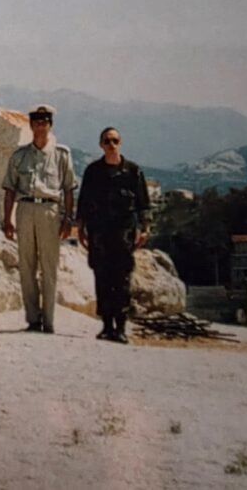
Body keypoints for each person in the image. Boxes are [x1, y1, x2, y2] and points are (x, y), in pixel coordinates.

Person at [1, 104, 76, 334]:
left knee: (49, 267)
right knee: (26, 266)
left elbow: (69, 189)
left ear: (50, 125)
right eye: (36, 122)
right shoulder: (19, 156)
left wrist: (68, 219)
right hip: (25, 209)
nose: (40, 126)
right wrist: (7, 219)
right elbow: (10, 189)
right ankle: (33, 319)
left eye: (44, 122)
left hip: (49, 211)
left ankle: (49, 321)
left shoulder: (61, 154)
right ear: (31, 125)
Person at [77, 126, 151, 343]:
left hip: (123, 233)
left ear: (120, 143)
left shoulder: (133, 172)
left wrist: (145, 227)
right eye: (107, 141)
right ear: (101, 145)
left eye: (115, 141)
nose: (111, 145)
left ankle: (121, 327)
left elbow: (143, 202)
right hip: (99, 232)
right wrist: (80, 227)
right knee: (102, 278)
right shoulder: (93, 171)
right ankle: (107, 325)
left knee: (122, 280)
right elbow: (84, 200)